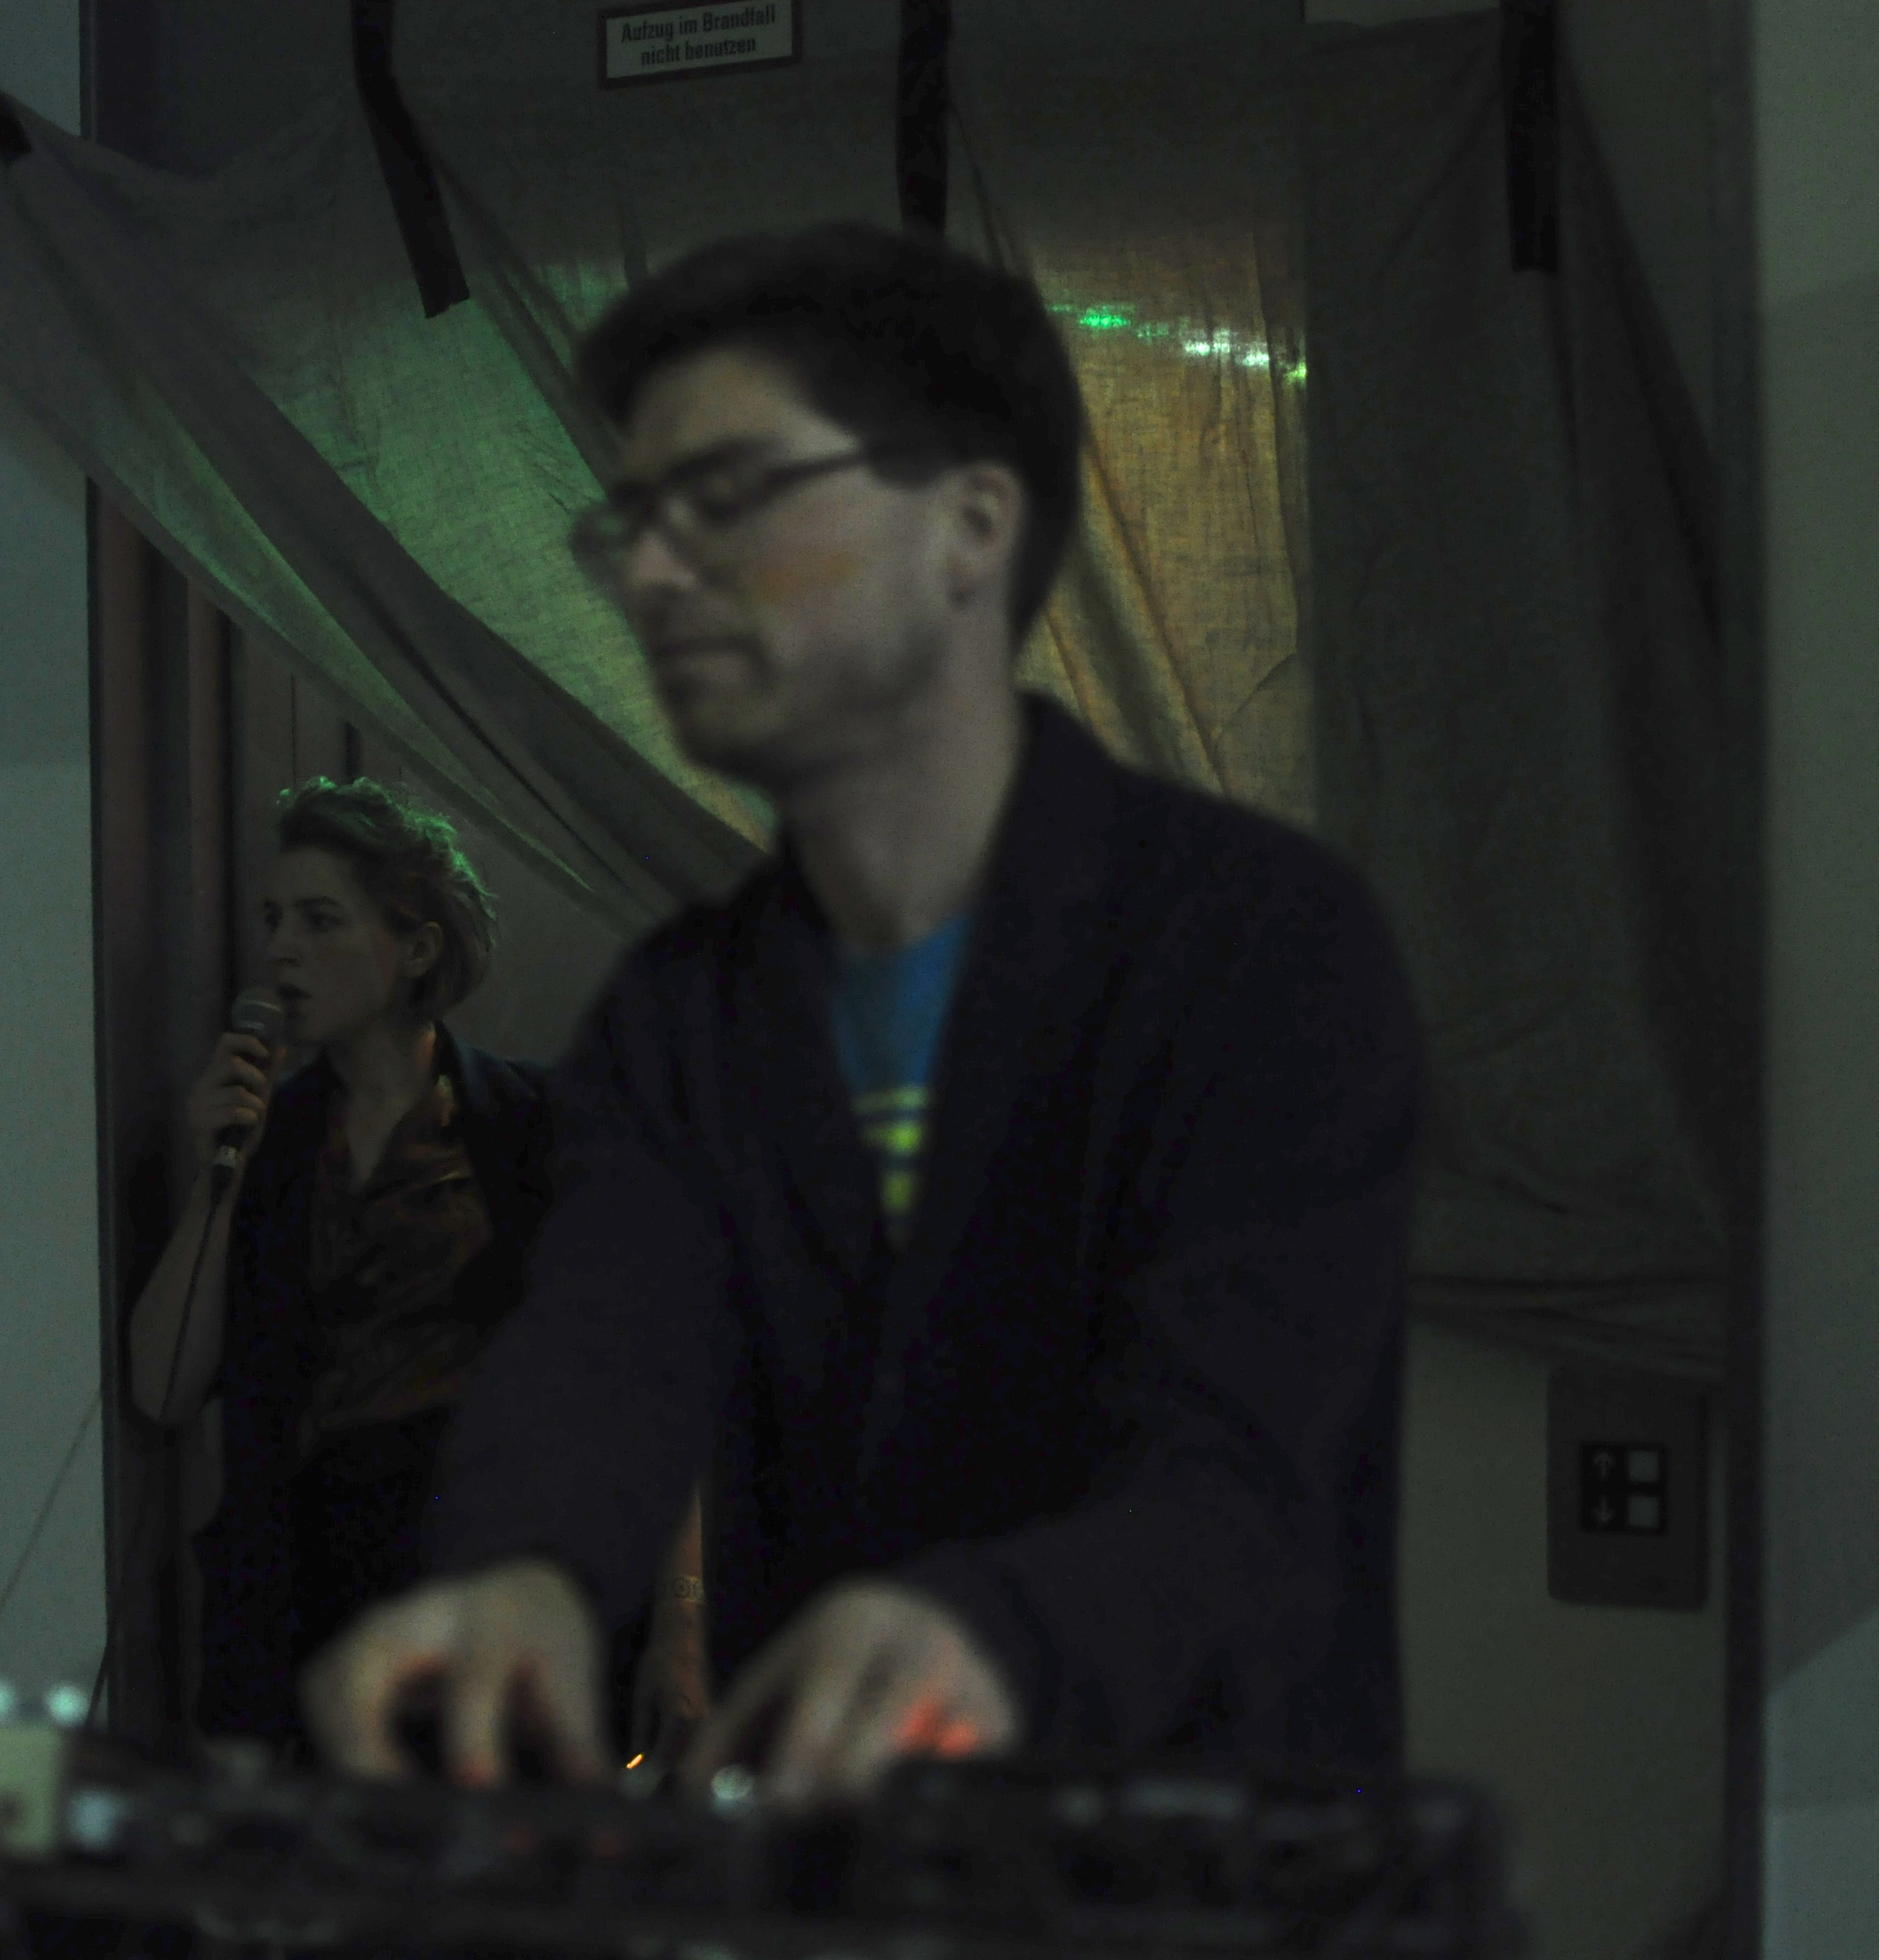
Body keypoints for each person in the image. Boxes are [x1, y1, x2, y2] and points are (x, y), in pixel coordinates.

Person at [301, 223, 1422, 1804]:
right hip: (846, 1863)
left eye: (730, 497)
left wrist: (981, 1627)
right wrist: (524, 1570)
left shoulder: (1257, 946)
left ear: (968, 525)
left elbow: (1238, 1463)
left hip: (1202, 1856)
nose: (656, 574)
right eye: (633, 521)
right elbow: (603, 1356)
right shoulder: (680, 1011)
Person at [127, 777, 704, 1754]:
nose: (282, 949)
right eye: (273, 921)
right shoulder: (274, 1146)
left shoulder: (538, 1128)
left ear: (417, 948)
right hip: (306, 1620)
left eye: (320, 920)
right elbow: (163, 1383)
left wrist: (683, 1619)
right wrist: (219, 1173)